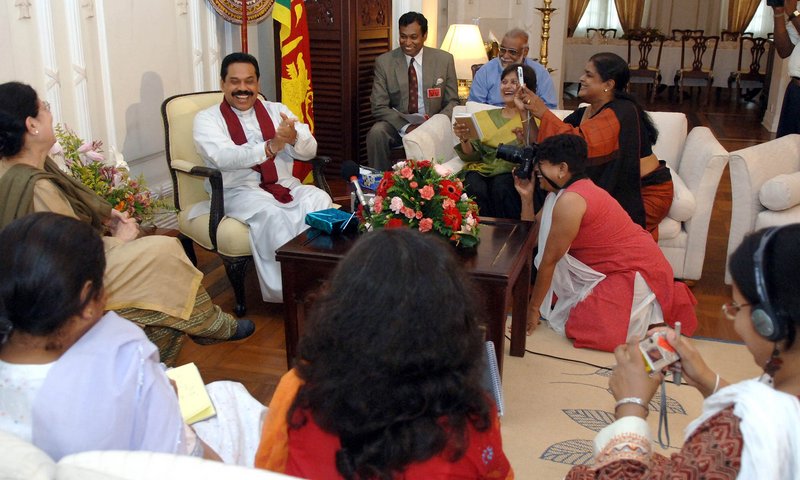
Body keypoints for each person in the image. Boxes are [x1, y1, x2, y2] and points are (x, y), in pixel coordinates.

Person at [0, 81, 253, 366]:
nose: (50, 113)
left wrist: (107, 215)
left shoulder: (21, 166)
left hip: (61, 263)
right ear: (32, 125)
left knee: (161, 265)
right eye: (44, 108)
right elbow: (69, 258)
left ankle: (157, 362)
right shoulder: (36, 186)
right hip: (65, 282)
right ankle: (209, 325)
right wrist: (121, 241)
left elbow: (69, 219)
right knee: (163, 254)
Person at [254, 229, 513, 479]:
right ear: (453, 322)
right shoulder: (473, 419)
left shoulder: (297, 391)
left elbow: (267, 467)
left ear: (341, 313)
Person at [566, 224, 800, 478]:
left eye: (736, 306)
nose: (733, 319)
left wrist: (631, 404)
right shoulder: (785, 392)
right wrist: (705, 378)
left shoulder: (741, 435)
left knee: (582, 474)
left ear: (769, 322)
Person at [0, 213, 225, 461]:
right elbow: (187, 459)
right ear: (87, 298)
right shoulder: (122, 355)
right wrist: (164, 400)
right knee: (229, 397)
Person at [515, 134, 696, 352]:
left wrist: (532, 309)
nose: (536, 169)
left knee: (585, 327)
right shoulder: (560, 194)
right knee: (568, 310)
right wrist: (526, 197)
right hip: (613, 269)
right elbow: (531, 237)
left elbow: (549, 260)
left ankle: (651, 318)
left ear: (562, 169)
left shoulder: (571, 200)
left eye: (541, 164)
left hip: (634, 271)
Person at [194, 52, 332, 303]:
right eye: (235, 81)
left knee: (319, 200)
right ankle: (288, 292)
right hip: (238, 190)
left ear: (258, 83)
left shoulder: (277, 110)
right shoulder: (207, 119)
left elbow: (310, 151)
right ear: (223, 83)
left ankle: (319, 279)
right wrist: (270, 147)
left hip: (282, 184)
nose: (243, 88)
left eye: (249, 81)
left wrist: (293, 138)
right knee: (272, 214)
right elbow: (225, 158)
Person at [516, 52, 673, 240]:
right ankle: (528, 247)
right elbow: (553, 146)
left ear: (608, 84)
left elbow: (583, 145)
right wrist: (524, 111)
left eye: (589, 75)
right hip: (612, 187)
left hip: (644, 191)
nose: (581, 78)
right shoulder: (584, 113)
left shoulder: (624, 111)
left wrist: (542, 111)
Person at [367, 11, 459, 171]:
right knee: (377, 132)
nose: (407, 42)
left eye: (413, 37)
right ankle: (380, 180)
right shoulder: (384, 62)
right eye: (403, 37)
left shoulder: (444, 60)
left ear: (425, 35)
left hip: (433, 124)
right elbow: (378, 106)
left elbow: (452, 101)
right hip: (400, 125)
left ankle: (437, 181)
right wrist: (407, 126)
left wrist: (434, 124)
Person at [453, 63, 539, 219]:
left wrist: (522, 140)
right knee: (473, 184)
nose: (507, 86)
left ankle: (506, 231)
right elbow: (472, 156)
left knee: (501, 186)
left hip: (511, 169)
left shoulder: (534, 120)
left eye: (514, 82)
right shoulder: (484, 117)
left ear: (527, 87)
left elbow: (535, 151)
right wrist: (464, 139)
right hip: (483, 168)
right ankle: (478, 228)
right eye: (504, 82)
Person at [468, 28, 557, 109]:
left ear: (525, 52)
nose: (505, 56)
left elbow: (549, 108)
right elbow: (475, 106)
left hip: (529, 117)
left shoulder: (540, 73)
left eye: (512, 52)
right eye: (502, 50)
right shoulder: (485, 72)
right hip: (493, 118)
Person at [772, 0, 800, 137]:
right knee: (787, 145)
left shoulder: (796, 10)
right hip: (795, 90)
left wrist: (793, 12)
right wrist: (778, 12)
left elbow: (794, 14)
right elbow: (784, 50)